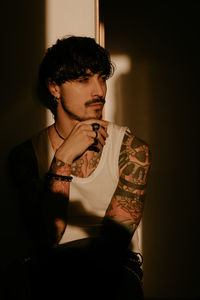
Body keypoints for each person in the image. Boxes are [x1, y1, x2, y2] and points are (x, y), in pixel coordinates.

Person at [7, 36, 151, 299]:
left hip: (115, 272)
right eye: (84, 80)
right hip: (48, 271)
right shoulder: (26, 156)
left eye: (102, 78)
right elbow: (47, 236)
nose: (98, 91)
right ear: (54, 87)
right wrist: (62, 159)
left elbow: (114, 244)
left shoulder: (132, 150)